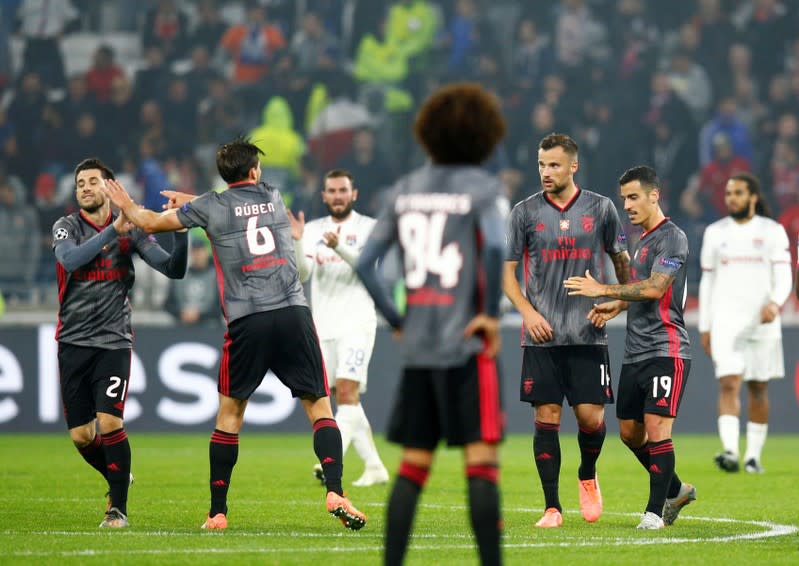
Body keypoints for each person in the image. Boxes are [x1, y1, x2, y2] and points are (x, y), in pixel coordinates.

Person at [101, 138, 367, 532]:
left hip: (247, 320)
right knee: (319, 407)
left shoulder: (211, 205)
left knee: (230, 416)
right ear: (255, 172)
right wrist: (195, 201)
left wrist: (126, 205)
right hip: (293, 312)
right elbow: (239, 207)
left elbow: (151, 222)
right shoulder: (274, 197)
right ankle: (336, 490)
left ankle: (218, 513)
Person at [355, 83, 506, 566]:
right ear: (484, 134)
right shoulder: (483, 190)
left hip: (420, 345)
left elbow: (365, 264)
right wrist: (488, 312)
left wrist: (399, 318)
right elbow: (498, 249)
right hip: (466, 344)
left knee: (413, 466)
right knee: (480, 465)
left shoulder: (404, 191)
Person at [52, 158, 188, 528]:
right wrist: (114, 229)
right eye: (80, 182)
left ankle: (118, 510)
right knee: (83, 436)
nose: (84, 187)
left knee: (110, 422)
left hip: (113, 342)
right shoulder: (66, 227)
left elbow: (173, 269)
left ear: (110, 187)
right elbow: (70, 261)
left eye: (93, 181)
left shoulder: (135, 230)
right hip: (73, 342)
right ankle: (118, 475)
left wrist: (182, 230)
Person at [503, 132, 630, 528]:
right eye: (542, 164)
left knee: (591, 420)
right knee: (547, 416)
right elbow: (507, 273)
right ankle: (552, 507)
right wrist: (528, 313)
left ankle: (587, 474)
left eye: (554, 165)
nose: (546, 172)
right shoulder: (523, 212)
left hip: (587, 332)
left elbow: (622, 260)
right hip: (541, 335)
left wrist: (620, 300)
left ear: (574, 166)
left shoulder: (602, 208)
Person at [564, 165, 696, 530]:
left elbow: (655, 288)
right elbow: (640, 293)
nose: (627, 205)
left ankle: (655, 513)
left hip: (666, 349)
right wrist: (617, 306)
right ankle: (677, 489)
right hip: (635, 352)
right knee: (629, 434)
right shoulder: (640, 242)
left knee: (656, 428)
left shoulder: (673, 238)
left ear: (655, 195)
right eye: (624, 198)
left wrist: (604, 290)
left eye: (634, 197)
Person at [288, 168, 390, 487]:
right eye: (331, 191)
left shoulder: (369, 227)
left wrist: (339, 247)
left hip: (357, 322)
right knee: (342, 398)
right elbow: (303, 274)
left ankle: (334, 459)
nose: (337, 196)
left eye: (342, 190)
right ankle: (374, 466)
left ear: (353, 194)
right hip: (324, 326)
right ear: (324, 195)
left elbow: (368, 269)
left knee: (346, 390)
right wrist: (295, 242)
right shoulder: (312, 229)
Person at [698, 173, 792, 474]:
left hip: (762, 321)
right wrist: (705, 325)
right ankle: (729, 450)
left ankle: (752, 456)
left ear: (752, 196)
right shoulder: (715, 232)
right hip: (726, 320)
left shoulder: (773, 231)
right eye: (728, 194)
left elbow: (785, 275)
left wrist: (776, 303)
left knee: (758, 387)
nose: (732, 199)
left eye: (738, 193)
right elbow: (707, 281)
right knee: (728, 383)